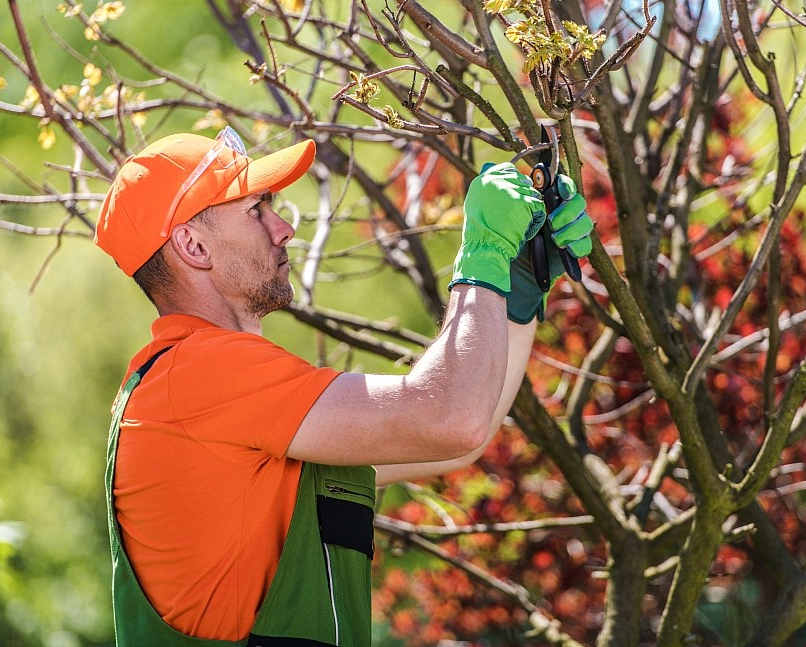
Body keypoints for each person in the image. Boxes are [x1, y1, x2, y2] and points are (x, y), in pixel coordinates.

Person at [95, 127, 593, 646]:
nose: (284, 228)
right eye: (255, 210)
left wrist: (514, 284)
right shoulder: (198, 371)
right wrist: (484, 254)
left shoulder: (214, 400)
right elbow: (452, 418)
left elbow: (465, 428)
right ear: (193, 245)